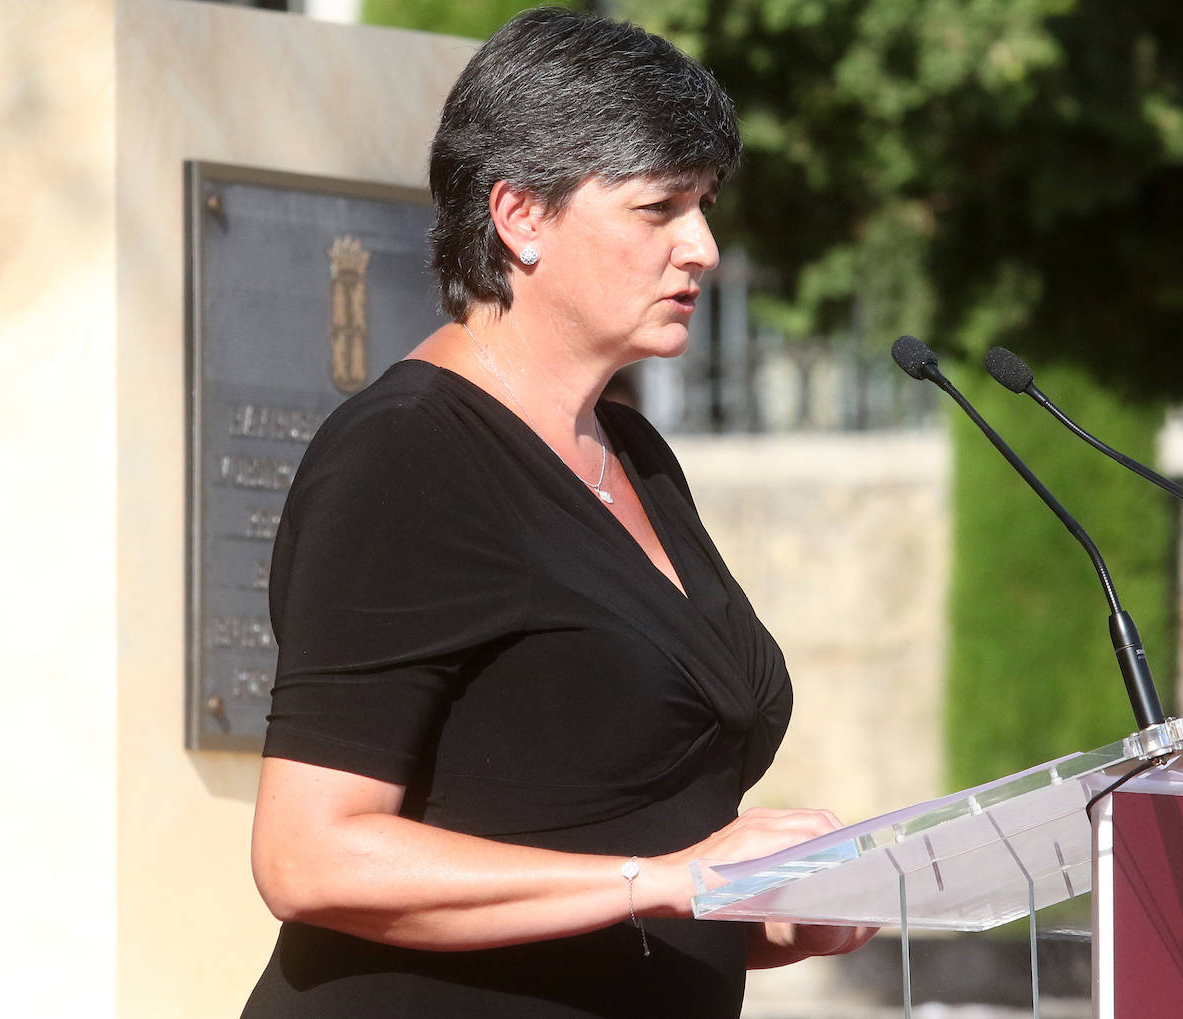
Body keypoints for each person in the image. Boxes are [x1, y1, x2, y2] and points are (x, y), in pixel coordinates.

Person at [241, 8, 875, 1017]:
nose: (702, 246)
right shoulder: (408, 456)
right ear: (520, 214)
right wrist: (673, 878)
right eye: (658, 207)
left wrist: (770, 909)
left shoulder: (635, 455)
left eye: (704, 205)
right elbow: (310, 853)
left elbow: (593, 831)